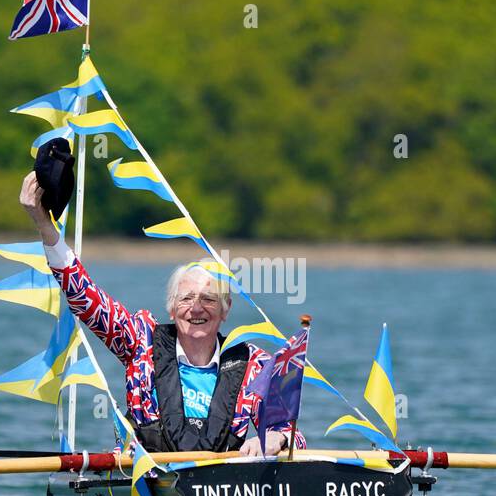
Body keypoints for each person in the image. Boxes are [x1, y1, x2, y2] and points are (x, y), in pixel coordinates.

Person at [20, 171, 303, 456]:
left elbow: (293, 435)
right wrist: (45, 225)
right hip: (147, 481)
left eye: (208, 299)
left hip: (219, 487)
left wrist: (275, 439)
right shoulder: (140, 342)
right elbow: (85, 299)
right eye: (187, 298)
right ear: (171, 307)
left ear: (225, 310)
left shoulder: (254, 365)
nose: (196, 308)